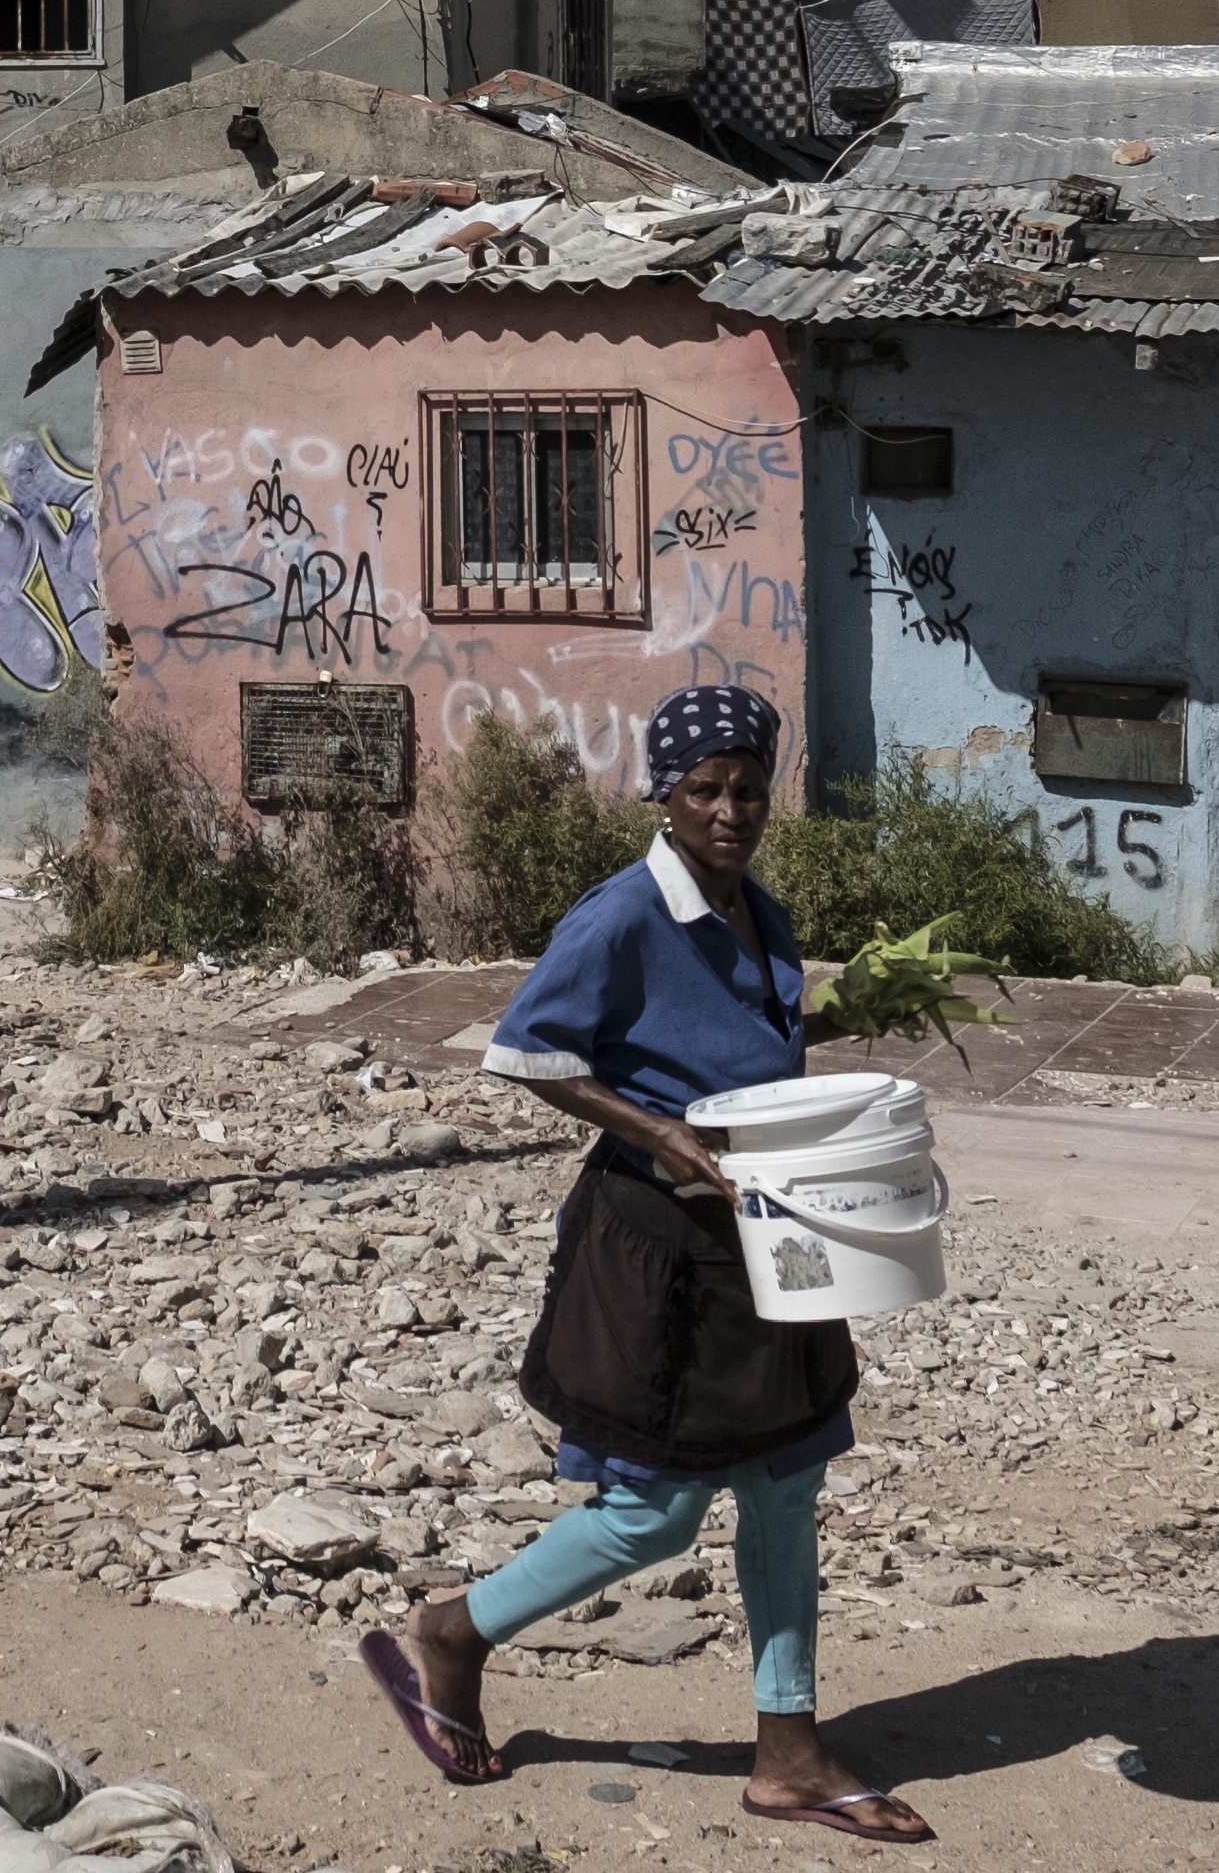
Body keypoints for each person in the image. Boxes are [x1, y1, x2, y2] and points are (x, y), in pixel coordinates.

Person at [359, 684, 927, 1842]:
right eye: (705, 789)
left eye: (749, 787)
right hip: (656, 1251)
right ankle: (458, 1629)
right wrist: (658, 1129)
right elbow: (526, 1053)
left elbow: (736, 1052)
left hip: (768, 1242)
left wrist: (854, 1009)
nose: (731, 808)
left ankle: (790, 1753)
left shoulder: (758, 911)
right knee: (654, 1511)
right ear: (664, 796)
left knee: (784, 1488)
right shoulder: (623, 914)